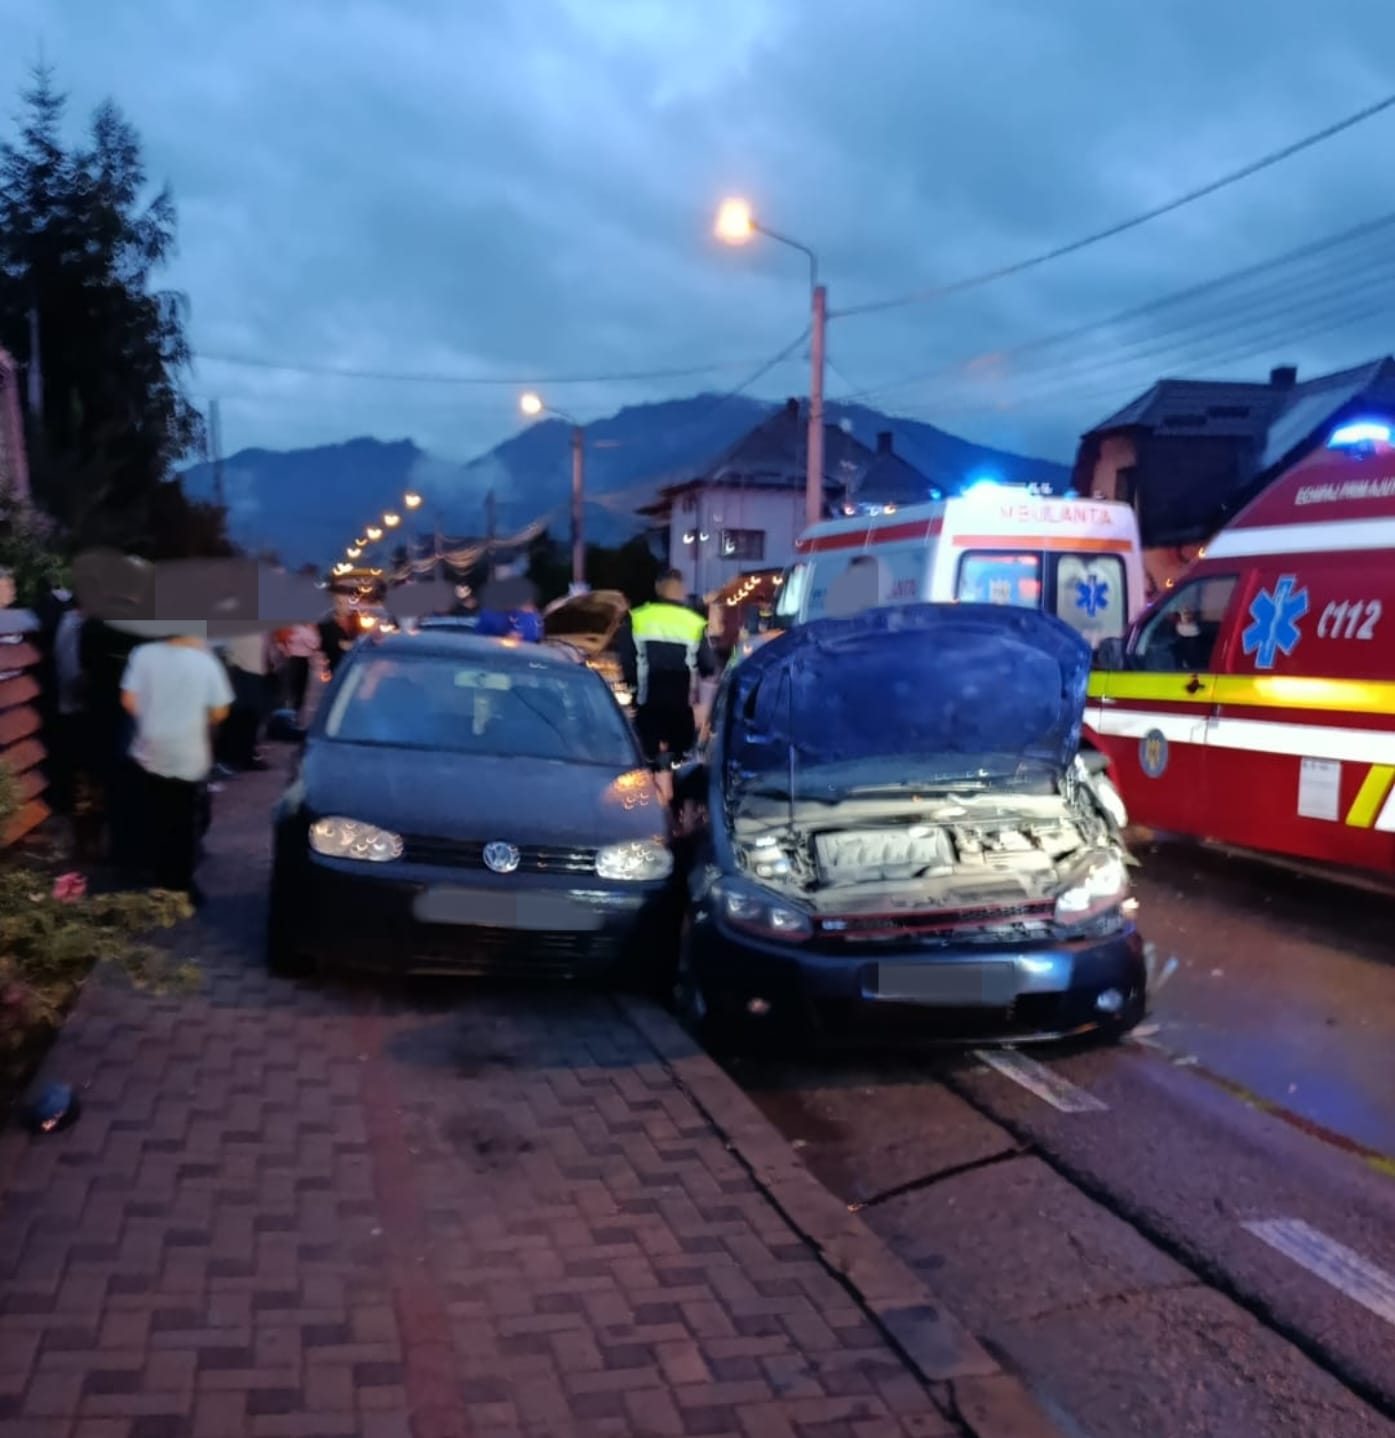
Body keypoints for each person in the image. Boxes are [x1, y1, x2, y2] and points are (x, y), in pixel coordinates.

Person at [121, 631, 233, 904]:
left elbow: (129, 700)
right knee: (182, 821)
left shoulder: (143, 655)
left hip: (149, 749)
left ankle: (155, 876)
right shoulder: (205, 662)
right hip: (187, 751)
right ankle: (179, 885)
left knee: (154, 815)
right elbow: (220, 711)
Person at [616, 569, 716, 770]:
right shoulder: (694, 622)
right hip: (681, 706)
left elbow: (626, 659)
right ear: (682, 591)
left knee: (644, 761)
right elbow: (708, 665)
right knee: (682, 762)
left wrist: (632, 684)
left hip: (648, 704)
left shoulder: (638, 618)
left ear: (657, 589)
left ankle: (652, 780)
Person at [276, 623, 320, 723]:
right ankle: (292, 714)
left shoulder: (308, 628)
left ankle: (296, 713)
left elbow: (315, 644)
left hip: (303, 660)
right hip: (295, 659)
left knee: (300, 689)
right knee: (294, 689)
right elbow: (284, 640)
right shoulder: (296, 627)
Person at [317, 597, 358, 678]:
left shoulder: (355, 619)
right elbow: (331, 645)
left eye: (349, 603)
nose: (348, 606)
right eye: (343, 603)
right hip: (337, 665)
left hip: (354, 666)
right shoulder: (327, 623)